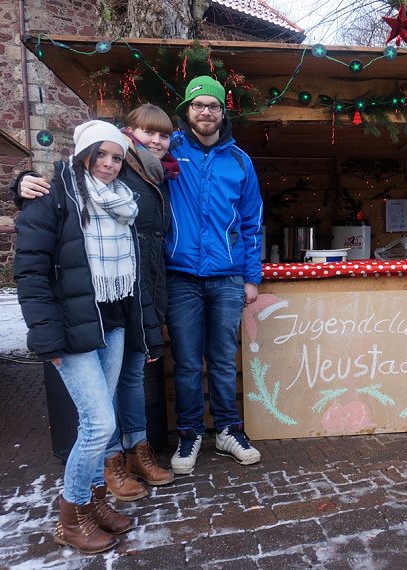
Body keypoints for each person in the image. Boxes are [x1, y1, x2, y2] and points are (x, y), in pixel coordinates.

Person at [14, 120, 164, 553]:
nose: (109, 164)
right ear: (84, 153)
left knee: (101, 422)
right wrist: (47, 340)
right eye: (102, 154)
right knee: (99, 423)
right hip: (72, 330)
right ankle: (71, 515)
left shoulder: (123, 203)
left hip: (112, 323)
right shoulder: (53, 196)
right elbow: (30, 273)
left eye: (117, 157)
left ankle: (95, 503)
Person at [166, 76, 264, 473]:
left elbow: (253, 221)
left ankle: (227, 431)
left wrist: (251, 276)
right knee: (187, 362)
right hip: (181, 274)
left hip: (226, 276)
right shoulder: (168, 152)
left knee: (223, 359)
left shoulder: (239, 160)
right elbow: (114, 151)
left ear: (223, 112)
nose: (205, 112)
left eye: (213, 105)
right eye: (198, 105)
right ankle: (189, 435)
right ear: (187, 111)